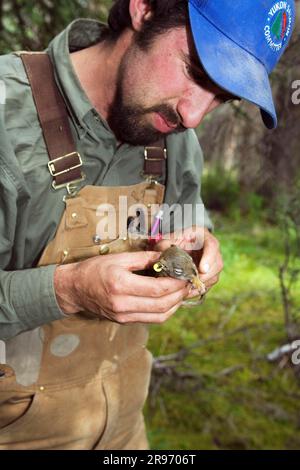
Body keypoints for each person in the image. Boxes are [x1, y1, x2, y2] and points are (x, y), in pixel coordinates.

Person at [0, 0, 295, 450]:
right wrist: (67, 289)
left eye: (223, 96)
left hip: (125, 436)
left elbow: (186, 225)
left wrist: (197, 253)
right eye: (197, 72)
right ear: (144, 9)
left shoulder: (175, 142)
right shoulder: (7, 121)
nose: (195, 116)